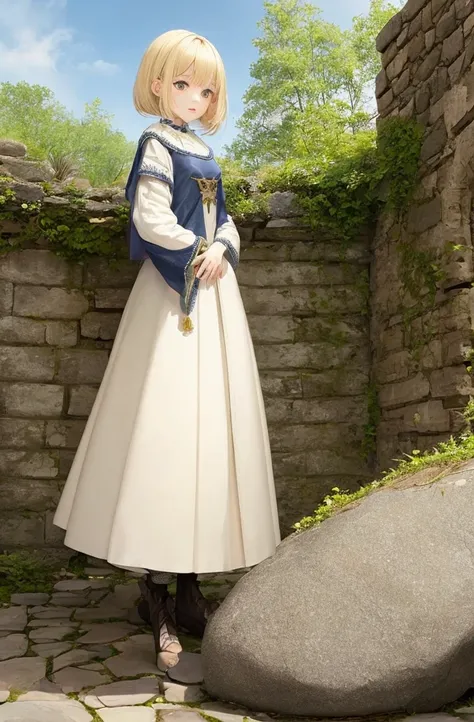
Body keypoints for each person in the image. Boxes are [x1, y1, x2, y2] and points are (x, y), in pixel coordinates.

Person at [53, 28, 281, 674]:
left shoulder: (204, 148)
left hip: (213, 298)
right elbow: (148, 215)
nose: (194, 96)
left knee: (209, 436)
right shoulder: (155, 142)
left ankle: (189, 583)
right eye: (183, 84)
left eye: (205, 88)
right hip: (170, 298)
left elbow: (228, 218)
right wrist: (192, 252)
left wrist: (221, 249)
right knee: (164, 432)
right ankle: (153, 589)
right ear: (158, 83)